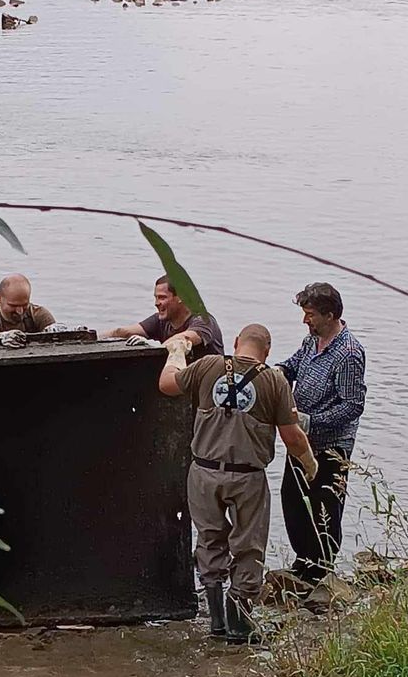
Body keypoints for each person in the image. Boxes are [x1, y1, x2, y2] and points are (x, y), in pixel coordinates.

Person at [159, 324, 318, 643]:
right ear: (267, 351)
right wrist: (310, 464)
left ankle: (216, 621)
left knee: (209, 539)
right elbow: (292, 437)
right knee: (248, 545)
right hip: (247, 478)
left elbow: (167, 384)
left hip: (204, 473)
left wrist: (175, 353)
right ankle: (239, 622)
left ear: (235, 343)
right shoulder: (275, 380)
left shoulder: (208, 366)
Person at [278, 283, 366, 584]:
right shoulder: (311, 340)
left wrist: (311, 421)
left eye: (310, 314)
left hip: (332, 445)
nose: (305, 320)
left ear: (330, 314)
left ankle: (320, 573)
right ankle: (302, 562)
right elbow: (292, 366)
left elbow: (353, 406)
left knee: (325, 507)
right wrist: (274, 375)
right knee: (292, 498)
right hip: (301, 441)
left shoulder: (349, 353)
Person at [101, 275, 224, 359]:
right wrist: (91, 337)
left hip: (210, 384)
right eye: (155, 297)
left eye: (162, 297)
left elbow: (184, 338)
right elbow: (122, 332)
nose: (156, 303)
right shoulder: (160, 320)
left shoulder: (203, 320)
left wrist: (155, 347)